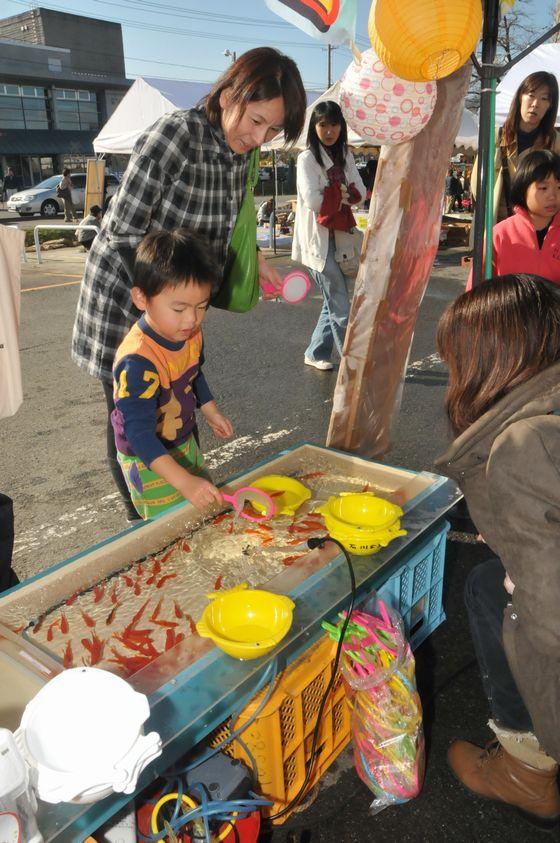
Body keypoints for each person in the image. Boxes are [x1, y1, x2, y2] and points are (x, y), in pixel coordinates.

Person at [71, 47, 306, 520]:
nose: (257, 136)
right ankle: (143, 523)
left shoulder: (243, 154)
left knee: (176, 401)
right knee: (133, 424)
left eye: (272, 130)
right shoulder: (176, 136)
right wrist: (160, 304)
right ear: (228, 95)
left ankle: (182, 507)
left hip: (176, 305)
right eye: (254, 120)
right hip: (128, 301)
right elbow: (122, 232)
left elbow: (226, 219)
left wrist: (254, 257)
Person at [435, 274, 560, 827]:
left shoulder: (520, 445)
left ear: (492, 363)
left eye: (454, 361)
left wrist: (524, 584)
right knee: (488, 581)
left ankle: (526, 770)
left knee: (492, 592)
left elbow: (552, 617)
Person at [112, 228, 233, 519]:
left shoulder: (189, 333)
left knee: (199, 508)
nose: (192, 319)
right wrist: (184, 481)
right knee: (170, 525)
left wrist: (211, 410)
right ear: (142, 299)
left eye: (201, 307)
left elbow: (194, 373)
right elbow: (138, 434)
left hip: (182, 439)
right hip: (148, 458)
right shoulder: (138, 361)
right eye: (179, 308)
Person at [292, 100, 366, 371]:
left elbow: (361, 191)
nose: (329, 130)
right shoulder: (307, 158)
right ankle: (352, 363)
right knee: (339, 303)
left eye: (334, 124)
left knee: (334, 300)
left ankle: (315, 351)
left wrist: (342, 194)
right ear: (314, 127)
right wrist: (345, 193)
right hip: (318, 241)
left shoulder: (344, 155)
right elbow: (312, 200)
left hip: (341, 237)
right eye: (323, 124)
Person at [472, 71, 560, 225]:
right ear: (520, 96)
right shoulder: (495, 136)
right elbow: (476, 187)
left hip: (537, 231)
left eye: (544, 98)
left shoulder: (554, 142)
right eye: (531, 95)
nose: (535, 104)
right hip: (495, 227)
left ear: (550, 105)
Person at [466, 149, 560, 290]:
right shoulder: (499, 234)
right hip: (508, 311)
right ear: (523, 189)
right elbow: (475, 290)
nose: (553, 196)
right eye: (543, 188)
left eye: (559, 187)